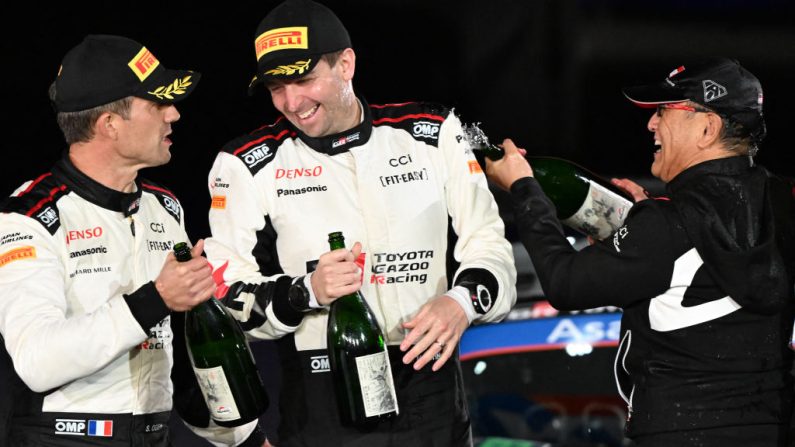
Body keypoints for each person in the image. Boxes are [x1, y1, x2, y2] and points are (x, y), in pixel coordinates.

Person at [203, 0, 517, 445]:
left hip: (431, 386)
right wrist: (304, 291)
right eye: (276, 87)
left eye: (304, 79)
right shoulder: (244, 165)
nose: (292, 102)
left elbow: (489, 245)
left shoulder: (434, 131)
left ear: (346, 64)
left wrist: (461, 303)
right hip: (321, 398)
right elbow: (226, 300)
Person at [486, 57, 795, 446]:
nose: (652, 123)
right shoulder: (782, 204)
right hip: (773, 429)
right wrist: (638, 222)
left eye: (665, 111)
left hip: (681, 432)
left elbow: (565, 283)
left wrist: (524, 190)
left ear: (707, 127)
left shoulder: (668, 223)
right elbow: (706, 242)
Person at [0, 35, 268, 446]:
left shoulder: (165, 207)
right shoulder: (29, 218)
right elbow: (37, 361)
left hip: (153, 433)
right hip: (63, 437)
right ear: (109, 124)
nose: (174, 114)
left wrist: (246, 440)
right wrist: (157, 298)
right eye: (158, 104)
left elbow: (185, 356)